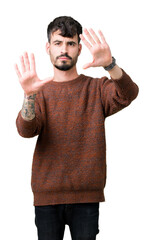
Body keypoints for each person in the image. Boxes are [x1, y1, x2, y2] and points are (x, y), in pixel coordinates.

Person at [15, 16, 139, 240]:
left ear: (79, 49)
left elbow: (128, 94)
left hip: (86, 199)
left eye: (70, 43)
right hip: (47, 199)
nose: (64, 49)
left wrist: (110, 64)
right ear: (48, 47)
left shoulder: (96, 88)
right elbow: (26, 130)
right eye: (58, 43)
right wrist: (29, 96)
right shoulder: (39, 92)